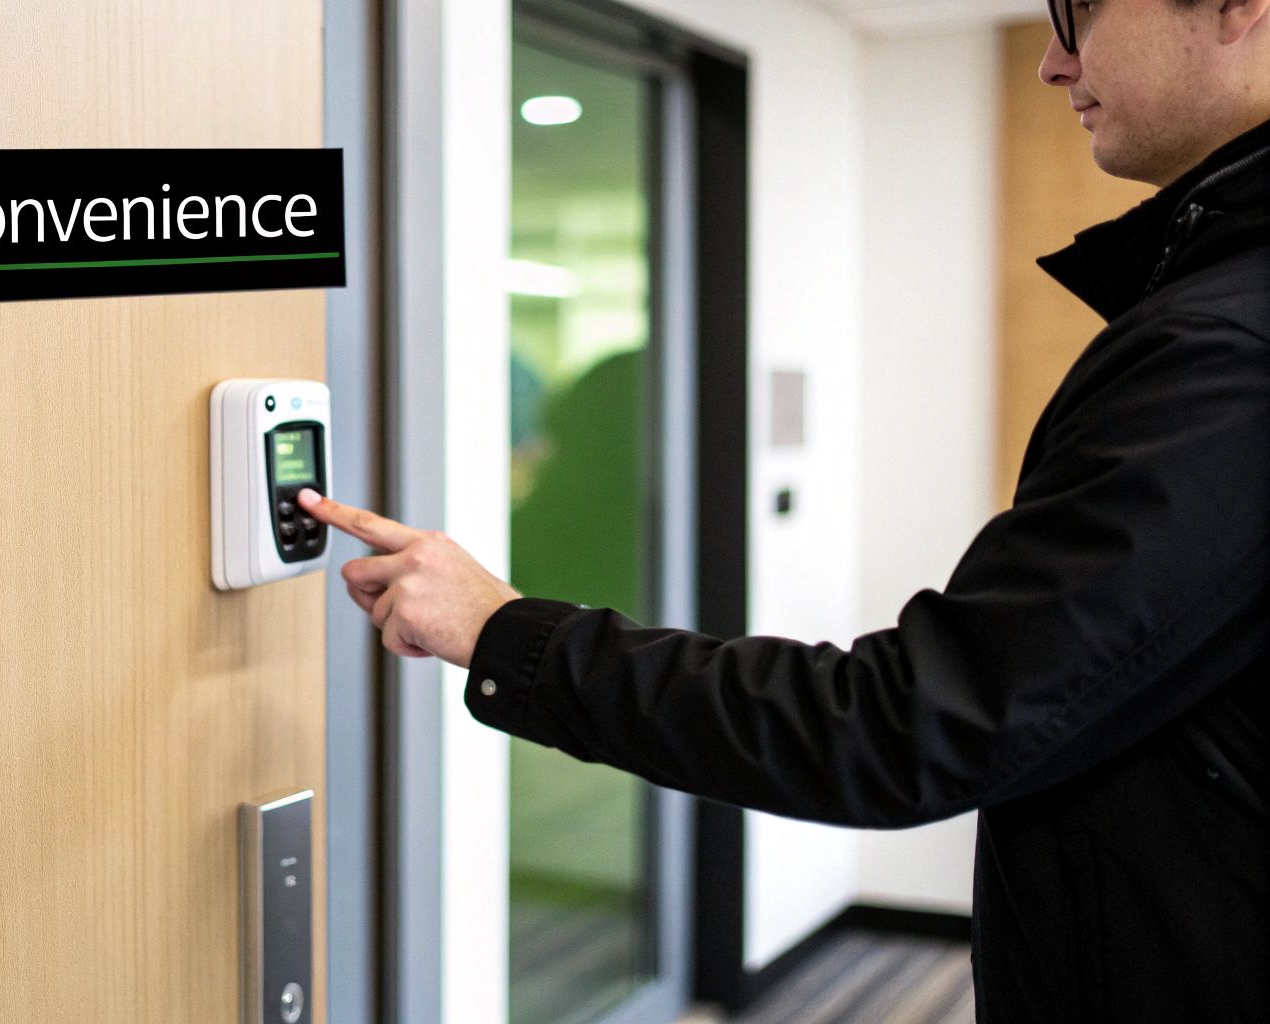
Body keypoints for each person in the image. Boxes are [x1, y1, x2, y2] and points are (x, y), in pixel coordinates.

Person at [299, 0, 1270, 1019]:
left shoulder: (1225, 352)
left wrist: (505, 631)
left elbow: (910, 727)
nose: (1052, 63)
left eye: (1079, 10)